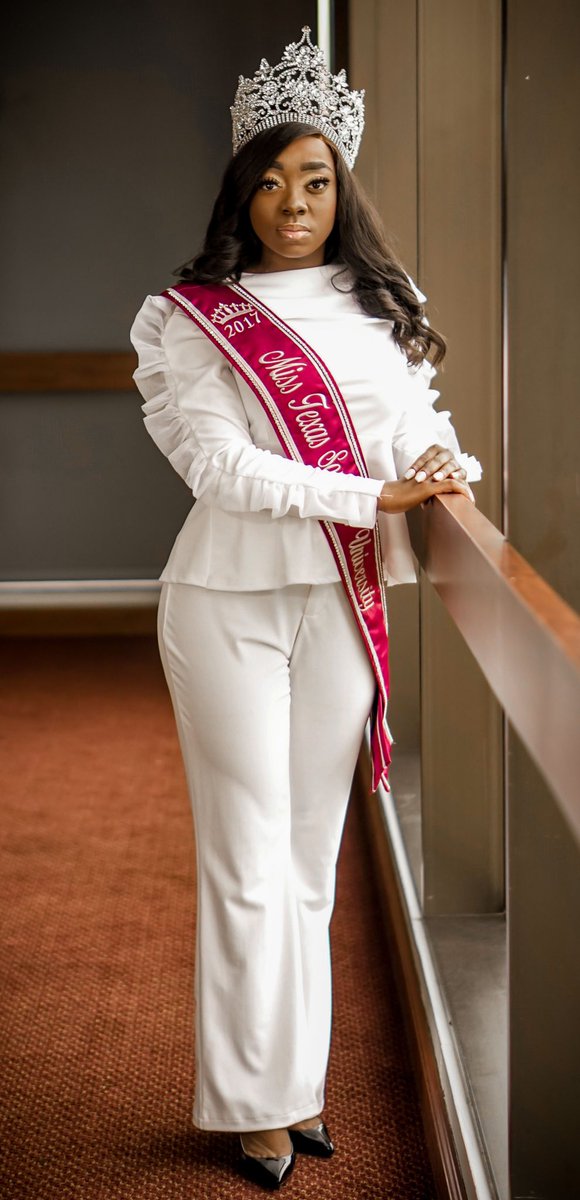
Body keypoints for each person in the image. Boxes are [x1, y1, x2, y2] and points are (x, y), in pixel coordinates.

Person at [130, 27, 481, 1191]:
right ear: (244, 189)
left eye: (316, 180)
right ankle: (250, 1107)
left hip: (337, 596)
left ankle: (296, 1085)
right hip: (224, 600)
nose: (294, 202)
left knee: (310, 857)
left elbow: (406, 436)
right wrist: (370, 489)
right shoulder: (187, 318)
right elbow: (221, 470)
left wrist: (432, 458)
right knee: (244, 855)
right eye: (272, 181)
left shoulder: (385, 301)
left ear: (343, 189)